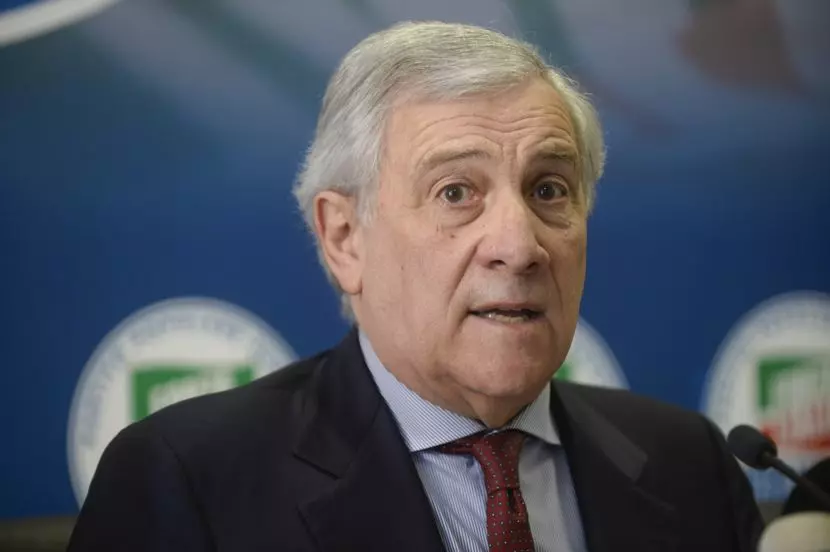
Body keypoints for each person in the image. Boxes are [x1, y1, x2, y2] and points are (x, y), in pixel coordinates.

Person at [68, 21, 765, 552]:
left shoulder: (689, 462)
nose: (520, 247)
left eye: (549, 189)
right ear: (345, 237)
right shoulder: (187, 481)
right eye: (456, 191)